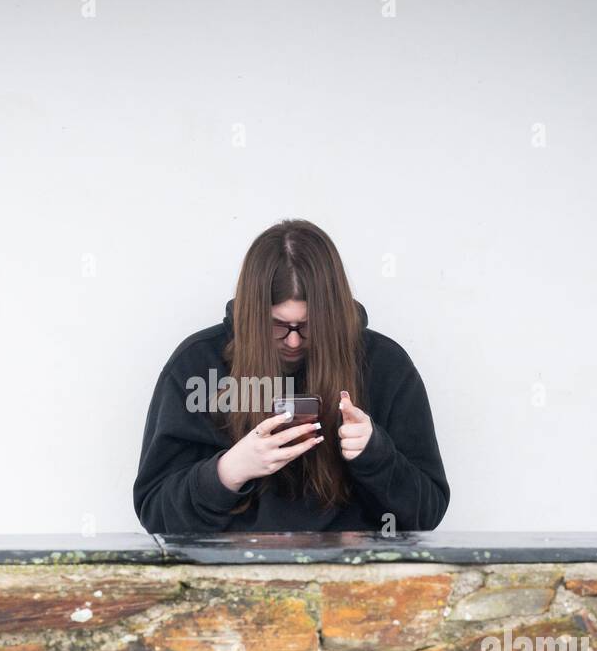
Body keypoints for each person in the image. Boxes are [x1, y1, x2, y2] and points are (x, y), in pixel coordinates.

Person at [132, 218, 449, 533]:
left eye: (309, 325)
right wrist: (227, 472)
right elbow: (156, 514)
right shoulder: (196, 364)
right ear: (253, 315)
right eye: (277, 325)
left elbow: (427, 514)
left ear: (333, 315)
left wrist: (375, 454)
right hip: (230, 577)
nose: (294, 340)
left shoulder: (386, 365)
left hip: (354, 578)